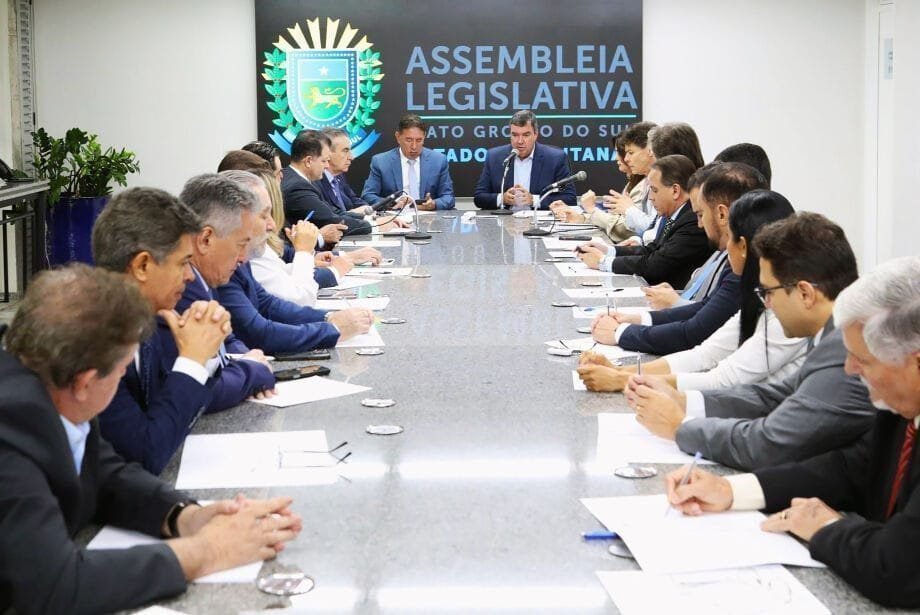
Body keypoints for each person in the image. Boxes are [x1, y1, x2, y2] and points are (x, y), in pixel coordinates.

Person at [0, 264, 301, 614]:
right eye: (121, 369)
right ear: (84, 382)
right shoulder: (12, 429)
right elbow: (54, 587)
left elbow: (102, 470)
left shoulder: (47, 385)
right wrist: (208, 551)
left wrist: (185, 517)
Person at [664, 256, 920, 608]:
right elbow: (850, 469)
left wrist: (824, 527)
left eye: (864, 359)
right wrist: (730, 489)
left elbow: (896, 567)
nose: (849, 368)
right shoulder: (901, 407)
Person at [626, 213, 875, 471]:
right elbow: (773, 397)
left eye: (768, 292)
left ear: (805, 293)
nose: (766, 304)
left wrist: (679, 426)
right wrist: (684, 400)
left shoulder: (846, 348)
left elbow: (769, 443)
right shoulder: (831, 333)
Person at [92, 187, 274, 473]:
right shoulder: (95, 338)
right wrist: (192, 362)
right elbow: (145, 453)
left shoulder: (148, 319)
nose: (190, 275)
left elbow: (168, 411)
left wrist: (203, 357)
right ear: (142, 266)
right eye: (183, 263)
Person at [578, 189, 806, 393]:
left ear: (743, 246)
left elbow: (723, 379)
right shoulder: (760, 293)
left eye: (730, 238)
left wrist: (622, 380)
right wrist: (624, 371)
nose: (726, 247)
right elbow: (705, 354)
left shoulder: (787, 310)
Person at [589, 162, 769, 355]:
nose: (699, 224)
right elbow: (704, 308)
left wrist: (620, 334)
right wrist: (638, 319)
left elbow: (695, 333)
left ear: (722, 213)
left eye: (701, 214)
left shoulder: (744, 261)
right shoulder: (735, 250)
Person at [214, 171, 374, 355]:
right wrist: (334, 330)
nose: (272, 225)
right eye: (264, 215)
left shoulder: (237, 255)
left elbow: (268, 305)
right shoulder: (226, 261)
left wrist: (329, 317)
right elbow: (259, 333)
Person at [643, 143, 774, 309]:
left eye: (701, 214)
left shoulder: (743, 254)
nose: (700, 223)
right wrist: (675, 297)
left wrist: (674, 303)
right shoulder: (726, 245)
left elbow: (709, 320)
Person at [576, 154, 710, 288]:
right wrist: (609, 250)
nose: (651, 198)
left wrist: (602, 262)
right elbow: (651, 250)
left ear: (675, 190)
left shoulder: (692, 221)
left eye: (654, 190)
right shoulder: (673, 215)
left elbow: (655, 265)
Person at [473, 110, 577, 210]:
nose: (520, 141)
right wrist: (502, 199)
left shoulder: (556, 158)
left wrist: (534, 200)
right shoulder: (494, 157)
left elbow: (570, 199)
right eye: (515, 135)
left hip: (539, 223)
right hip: (504, 223)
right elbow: (479, 198)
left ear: (535, 135)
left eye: (526, 135)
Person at [281, 130, 367, 237]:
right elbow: (330, 219)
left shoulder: (300, 180)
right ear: (308, 161)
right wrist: (371, 225)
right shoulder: (297, 187)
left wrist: (366, 218)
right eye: (324, 161)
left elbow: (332, 211)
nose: (327, 166)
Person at [362, 113, 455, 210]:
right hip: (395, 217)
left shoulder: (438, 161)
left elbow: (449, 197)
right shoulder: (381, 162)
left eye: (419, 140)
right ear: (398, 137)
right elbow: (368, 196)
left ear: (424, 137)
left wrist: (434, 204)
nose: (414, 146)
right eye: (409, 140)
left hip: (428, 218)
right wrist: (393, 203)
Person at [318, 128, 374, 218]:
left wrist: (368, 209)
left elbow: (354, 200)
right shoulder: (315, 181)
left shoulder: (339, 176)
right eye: (345, 151)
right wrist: (354, 213)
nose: (351, 157)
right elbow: (329, 217)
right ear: (327, 153)